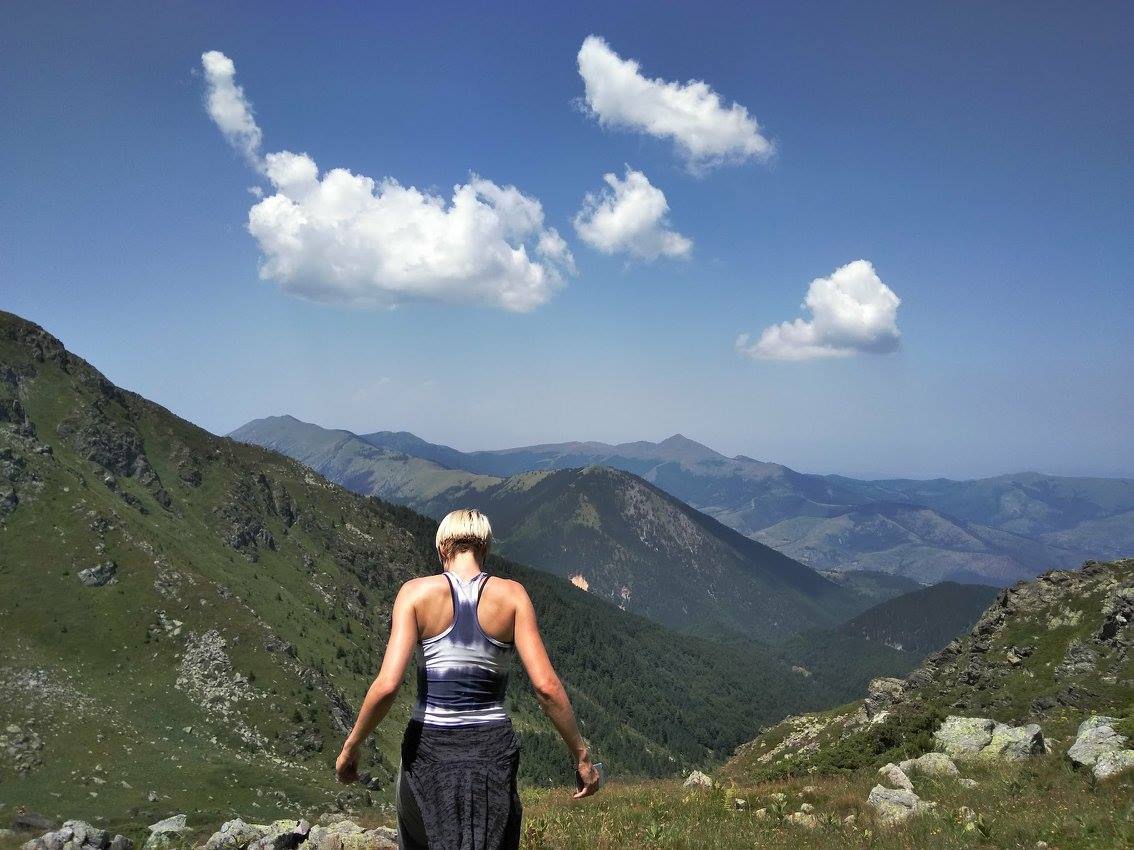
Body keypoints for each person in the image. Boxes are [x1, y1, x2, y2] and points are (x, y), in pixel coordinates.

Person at [335, 508, 602, 849]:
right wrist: (580, 755)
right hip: (492, 750)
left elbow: (387, 686)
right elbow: (547, 688)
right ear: (485, 548)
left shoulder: (414, 595)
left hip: (428, 749)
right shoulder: (513, 596)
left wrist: (351, 746)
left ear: (442, 548)